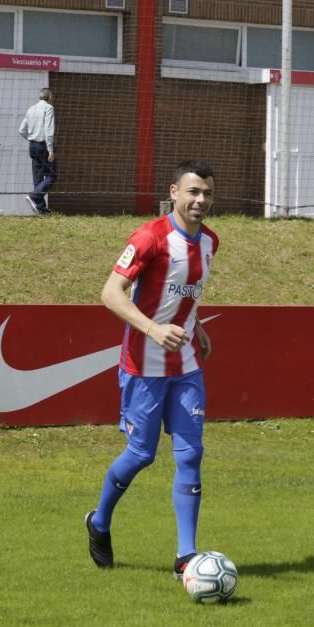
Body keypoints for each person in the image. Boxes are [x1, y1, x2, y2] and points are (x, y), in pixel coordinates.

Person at [85, 159, 219, 578]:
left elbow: (184, 292)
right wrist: (153, 329)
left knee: (191, 454)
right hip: (144, 364)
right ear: (174, 192)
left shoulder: (211, 241)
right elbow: (110, 293)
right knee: (141, 454)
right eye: (193, 191)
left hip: (187, 366)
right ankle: (100, 521)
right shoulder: (149, 237)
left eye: (207, 193)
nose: (200, 200)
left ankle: (186, 557)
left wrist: (194, 327)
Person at [18, 87, 56, 215]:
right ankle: (34, 196)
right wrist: (50, 149)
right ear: (50, 98)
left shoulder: (31, 109)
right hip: (43, 145)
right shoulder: (49, 108)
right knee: (52, 175)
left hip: (32, 146)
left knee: (38, 177)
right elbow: (49, 130)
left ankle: (41, 209)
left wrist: (31, 138)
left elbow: (21, 130)